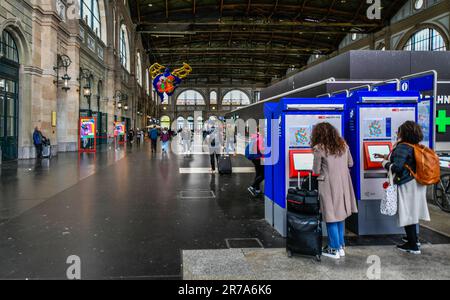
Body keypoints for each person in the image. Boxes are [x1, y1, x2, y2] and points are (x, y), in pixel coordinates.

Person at [379, 121, 431, 255]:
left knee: (408, 213)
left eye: (399, 131)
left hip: (407, 184)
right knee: (412, 212)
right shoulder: (415, 146)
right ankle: (413, 239)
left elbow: (397, 167)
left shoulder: (403, 147)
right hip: (416, 183)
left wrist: (384, 163)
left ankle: (412, 245)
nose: (397, 133)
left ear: (404, 133)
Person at [311, 122, 358, 260]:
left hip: (328, 184)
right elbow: (351, 163)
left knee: (331, 216)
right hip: (344, 183)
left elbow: (316, 170)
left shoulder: (319, 148)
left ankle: (333, 248)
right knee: (340, 214)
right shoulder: (343, 145)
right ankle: (341, 246)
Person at [246, 130, 265, 197]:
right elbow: (261, 149)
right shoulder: (260, 138)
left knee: (258, 173)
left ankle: (257, 190)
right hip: (258, 158)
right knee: (263, 174)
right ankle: (252, 187)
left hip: (255, 158)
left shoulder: (256, 137)